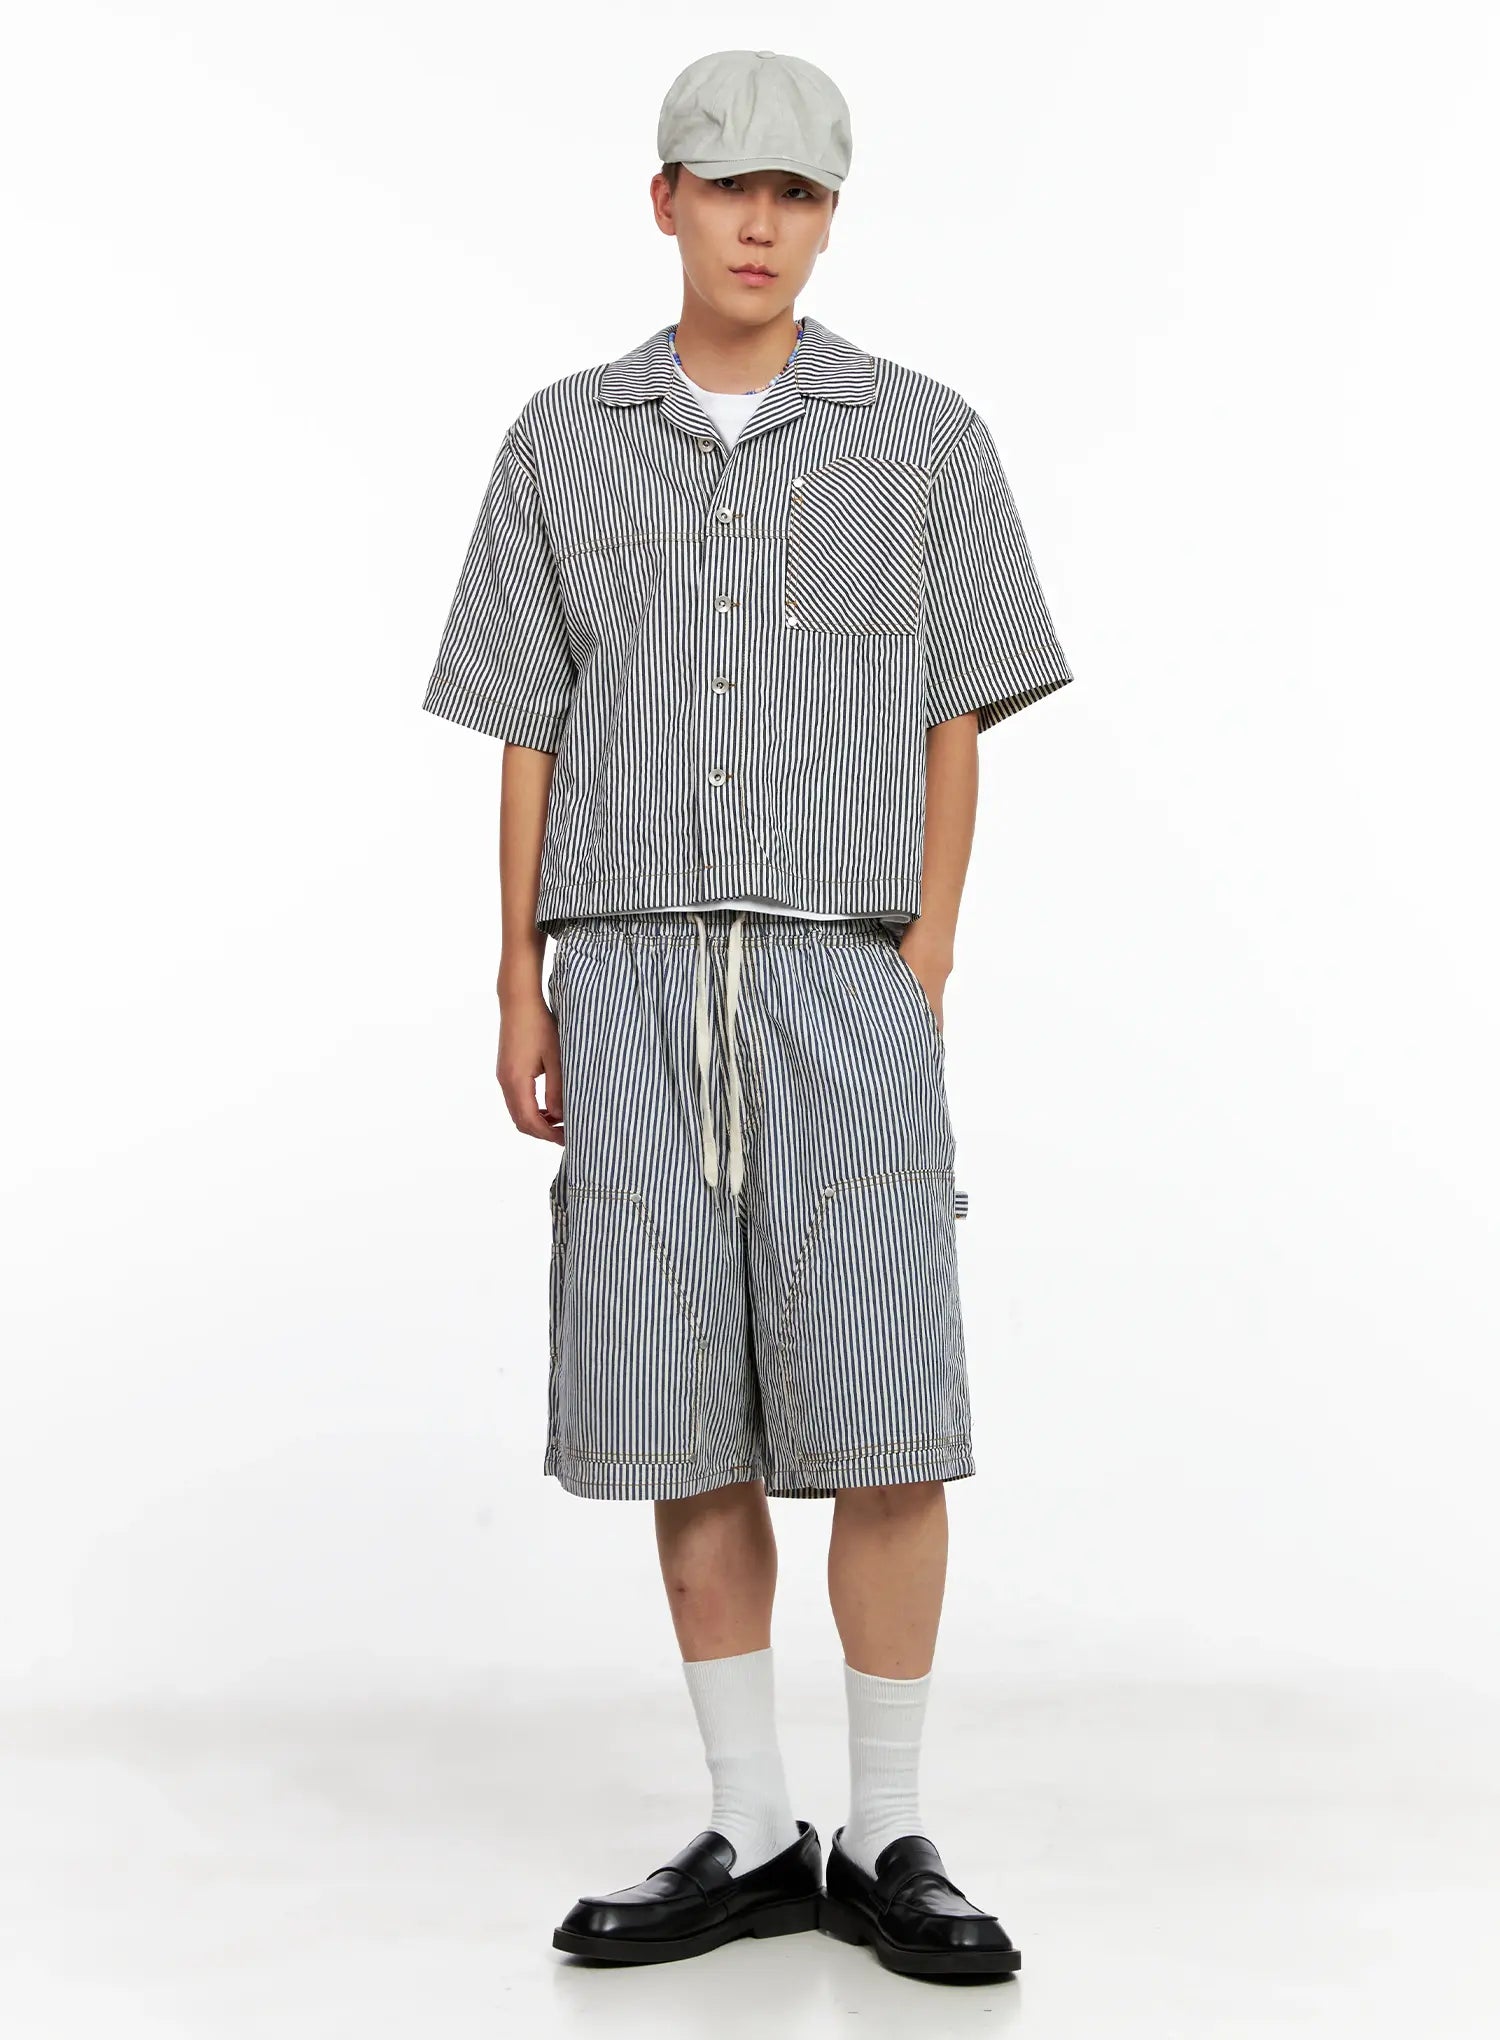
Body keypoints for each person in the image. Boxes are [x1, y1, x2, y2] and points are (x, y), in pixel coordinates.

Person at [422, 46, 1075, 1982]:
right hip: (625, 970)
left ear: (830, 217)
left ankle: (891, 1833)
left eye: (797, 193)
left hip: (837, 968)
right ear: (667, 202)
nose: (761, 224)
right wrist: (519, 973)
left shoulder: (923, 437)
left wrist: (924, 957)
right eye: (729, 187)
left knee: (887, 1406)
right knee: (677, 1404)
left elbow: (958, 712)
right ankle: (752, 1822)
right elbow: (528, 720)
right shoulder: (563, 439)